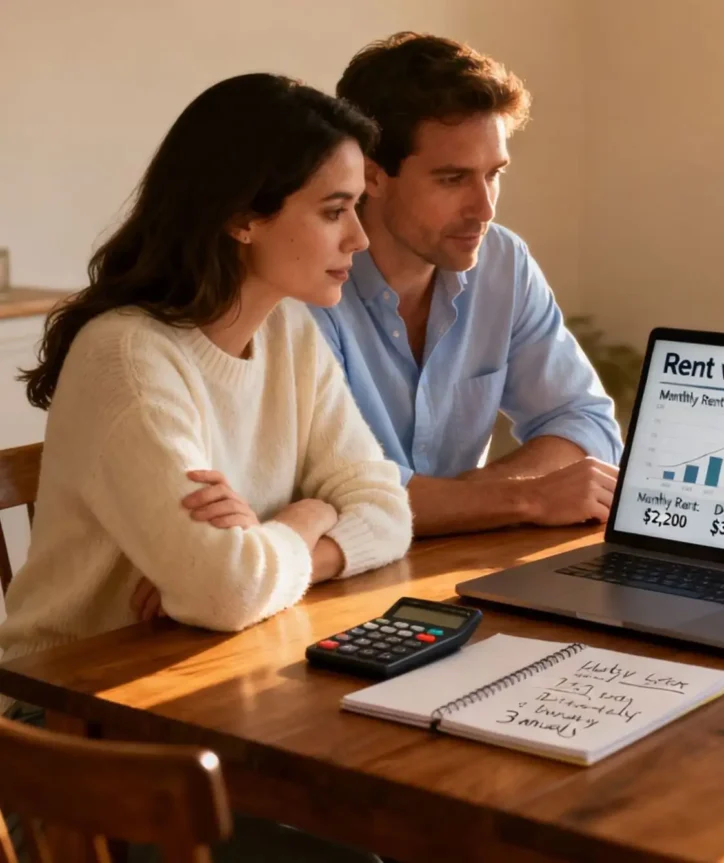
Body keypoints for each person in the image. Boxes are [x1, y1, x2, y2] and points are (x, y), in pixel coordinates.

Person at [0, 73, 411, 862]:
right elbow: (224, 589)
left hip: (204, 699)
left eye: (357, 206)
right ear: (241, 216)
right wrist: (308, 514)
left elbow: (385, 504)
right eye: (334, 210)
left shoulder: (290, 333)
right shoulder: (127, 356)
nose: (359, 238)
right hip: (72, 750)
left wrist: (271, 539)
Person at [309, 32, 624, 538]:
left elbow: (585, 423)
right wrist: (521, 497)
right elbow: (337, 495)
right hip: (335, 584)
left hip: (456, 566)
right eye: (452, 179)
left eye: (493, 174)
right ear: (370, 174)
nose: (484, 209)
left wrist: (476, 497)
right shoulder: (306, 285)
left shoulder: (502, 262)